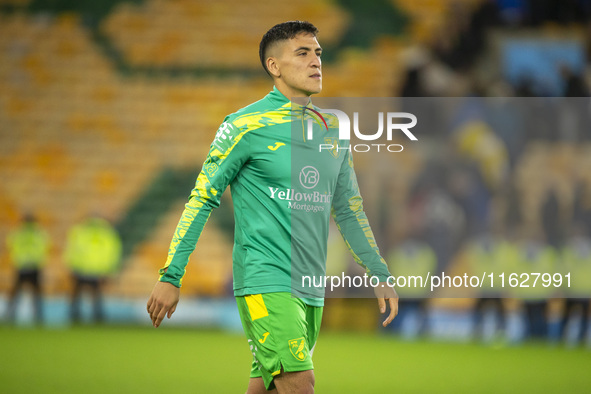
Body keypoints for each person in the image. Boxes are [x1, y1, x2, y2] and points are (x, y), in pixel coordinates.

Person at [147, 21, 398, 394]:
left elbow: (348, 209)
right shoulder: (244, 125)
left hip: (310, 287)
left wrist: (376, 270)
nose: (316, 61)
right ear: (274, 66)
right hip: (266, 279)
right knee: (300, 383)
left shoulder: (332, 130)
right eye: (303, 53)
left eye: (318, 53)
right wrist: (172, 274)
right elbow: (202, 197)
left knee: (267, 388)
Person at [64, 215, 122, 323]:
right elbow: (112, 252)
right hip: (92, 269)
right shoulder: (106, 234)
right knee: (93, 295)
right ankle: (93, 318)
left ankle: (79, 317)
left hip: (85, 268)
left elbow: (72, 250)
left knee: (87, 295)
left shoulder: (80, 232)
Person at [6, 214, 49, 324]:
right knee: (34, 293)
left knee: (18, 293)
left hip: (23, 265)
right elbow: (45, 248)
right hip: (32, 265)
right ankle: (38, 317)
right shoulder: (39, 233)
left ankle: (10, 315)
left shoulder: (18, 233)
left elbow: (11, 246)